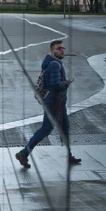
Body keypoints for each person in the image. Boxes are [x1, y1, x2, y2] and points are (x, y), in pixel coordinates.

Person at [15, 40, 81, 168]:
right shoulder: (54, 65)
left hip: (58, 103)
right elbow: (55, 85)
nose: (62, 50)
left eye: (63, 48)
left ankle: (69, 156)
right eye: (58, 48)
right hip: (54, 102)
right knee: (46, 129)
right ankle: (23, 153)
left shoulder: (52, 63)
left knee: (65, 127)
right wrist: (67, 82)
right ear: (52, 51)